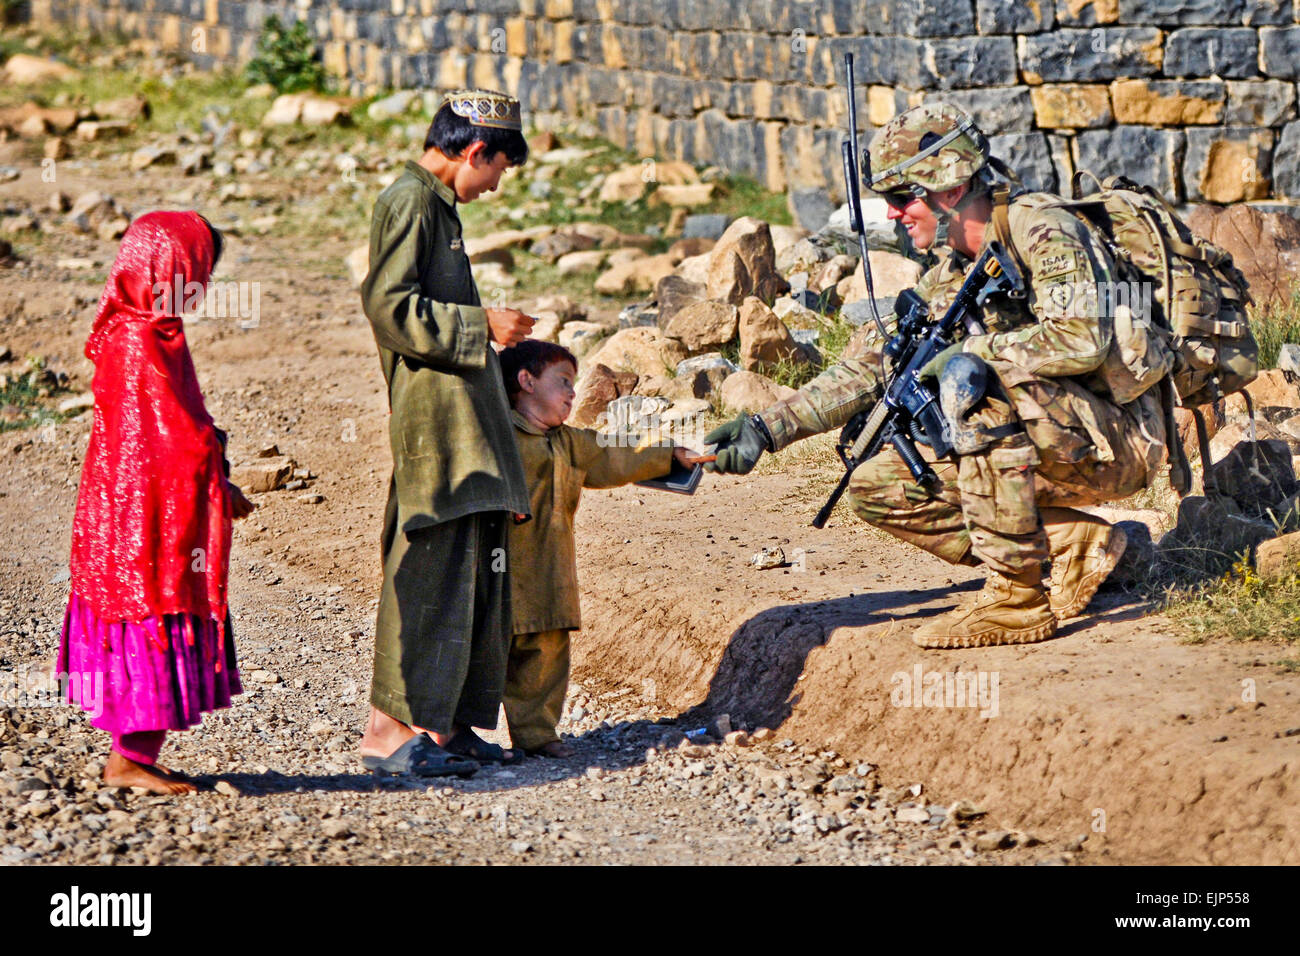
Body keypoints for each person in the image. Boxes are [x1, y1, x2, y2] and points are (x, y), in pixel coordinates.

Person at [706, 104, 1168, 649]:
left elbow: (1082, 340)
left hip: (1119, 439)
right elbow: (876, 366)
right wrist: (767, 428)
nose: (894, 215)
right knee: (878, 485)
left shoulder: (1043, 228)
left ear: (947, 189)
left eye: (903, 199)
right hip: (1053, 435)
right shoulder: (955, 270)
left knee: (972, 380)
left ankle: (1016, 600)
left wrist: (971, 352)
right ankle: (1071, 546)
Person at [358, 89, 538, 776]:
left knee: (474, 577)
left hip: (463, 426)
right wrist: (480, 327)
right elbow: (388, 307)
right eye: (496, 169)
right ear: (473, 152)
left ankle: (442, 729)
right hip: (434, 427)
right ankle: (387, 736)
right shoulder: (409, 201)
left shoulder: (438, 206)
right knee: (428, 573)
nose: (494, 185)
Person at [60, 210, 255, 795]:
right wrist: (217, 482)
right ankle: (128, 760)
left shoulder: (136, 329)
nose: (206, 288)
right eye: (200, 272)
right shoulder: (143, 340)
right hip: (146, 515)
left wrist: (216, 473)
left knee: (142, 614)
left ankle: (134, 756)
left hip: (128, 509)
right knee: (152, 613)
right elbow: (173, 438)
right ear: (170, 269)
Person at [498, 341, 702, 757]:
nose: (573, 393)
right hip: (496, 574)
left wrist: (669, 456)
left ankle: (537, 736)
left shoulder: (572, 443)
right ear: (525, 381)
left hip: (548, 575)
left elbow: (615, 455)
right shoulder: (496, 437)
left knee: (547, 652)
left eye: (574, 384)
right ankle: (449, 735)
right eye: (564, 382)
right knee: (483, 649)